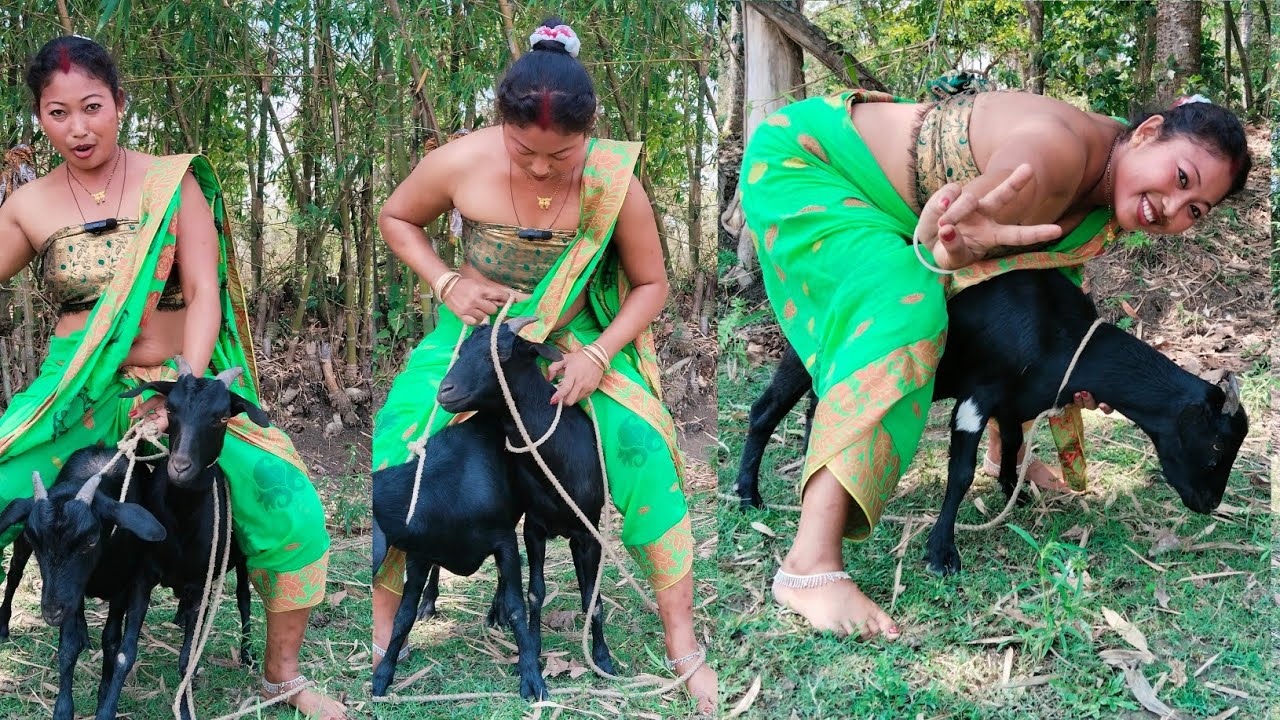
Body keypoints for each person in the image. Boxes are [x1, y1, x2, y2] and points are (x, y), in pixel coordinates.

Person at [739, 86, 1250, 639]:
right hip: (811, 164)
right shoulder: (1059, 156)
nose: (1173, 209)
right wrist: (962, 230)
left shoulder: (1111, 172)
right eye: (1181, 179)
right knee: (905, 310)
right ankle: (808, 566)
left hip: (882, 197)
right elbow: (983, 200)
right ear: (1148, 132)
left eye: (1194, 210)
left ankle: (1005, 455)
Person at [371, 18, 717, 713]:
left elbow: (651, 286)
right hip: (472, 332)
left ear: (588, 135)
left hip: (576, 339)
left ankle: (682, 642)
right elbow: (397, 218)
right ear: (502, 122)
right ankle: (385, 637)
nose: (538, 168)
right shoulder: (461, 160)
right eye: (523, 150)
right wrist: (448, 282)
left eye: (559, 159)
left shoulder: (617, 183)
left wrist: (597, 354)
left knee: (644, 447)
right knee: (402, 432)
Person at [0, 36, 346, 718]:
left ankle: (282, 674)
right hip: (74, 389)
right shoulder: (28, 204)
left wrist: (182, 392)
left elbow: (205, 295)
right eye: (58, 112)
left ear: (120, 105)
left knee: (291, 508)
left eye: (92, 107)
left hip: (179, 383)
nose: (78, 127)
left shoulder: (173, 182)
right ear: (39, 118)